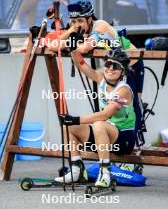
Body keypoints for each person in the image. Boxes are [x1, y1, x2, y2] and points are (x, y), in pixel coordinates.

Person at [55, 47, 136, 188]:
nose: (110, 69)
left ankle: (105, 173)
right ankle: (76, 170)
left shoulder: (124, 90)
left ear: (122, 71)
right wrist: (74, 48)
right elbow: (81, 64)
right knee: (69, 127)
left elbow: (105, 115)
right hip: (104, 136)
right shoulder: (100, 78)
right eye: (107, 64)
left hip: (124, 140)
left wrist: (75, 118)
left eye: (115, 66)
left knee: (99, 123)